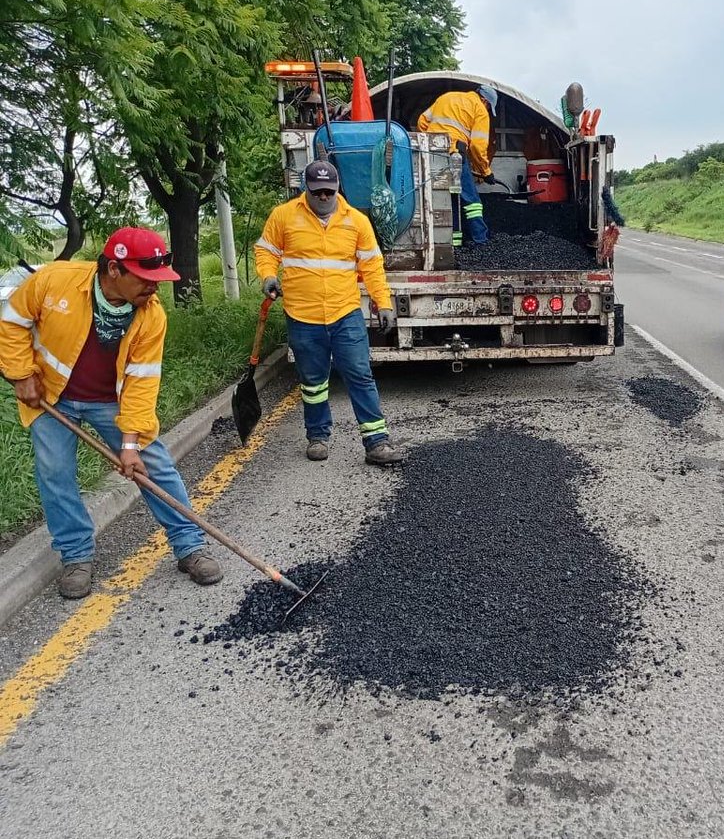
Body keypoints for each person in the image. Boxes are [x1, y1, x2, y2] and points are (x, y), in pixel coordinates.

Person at [0, 228, 222, 599]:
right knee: (55, 473)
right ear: (114, 270)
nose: (154, 286)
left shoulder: (151, 315)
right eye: (145, 278)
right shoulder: (55, 281)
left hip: (110, 401)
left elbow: (142, 383)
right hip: (52, 396)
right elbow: (11, 322)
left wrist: (130, 444)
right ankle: (76, 557)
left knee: (153, 465)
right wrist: (21, 375)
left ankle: (190, 546)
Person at [255, 160, 404, 466]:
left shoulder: (357, 221)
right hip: (302, 315)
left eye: (328, 191)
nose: (323, 196)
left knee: (360, 374)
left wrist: (384, 303)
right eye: (317, 191)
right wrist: (268, 276)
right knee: (312, 381)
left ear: (337, 189)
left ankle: (377, 441)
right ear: (305, 189)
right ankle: (317, 436)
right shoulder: (284, 216)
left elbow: (372, 267)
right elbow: (266, 251)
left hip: (344, 313)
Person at [417, 84, 498, 246]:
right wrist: (486, 172)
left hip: (431, 153)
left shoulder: (447, 97)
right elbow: (477, 146)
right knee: (471, 199)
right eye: (489, 107)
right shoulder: (480, 109)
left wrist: (432, 142)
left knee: (448, 197)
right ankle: (480, 239)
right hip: (454, 154)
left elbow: (422, 121)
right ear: (485, 101)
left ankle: (453, 242)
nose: (488, 110)